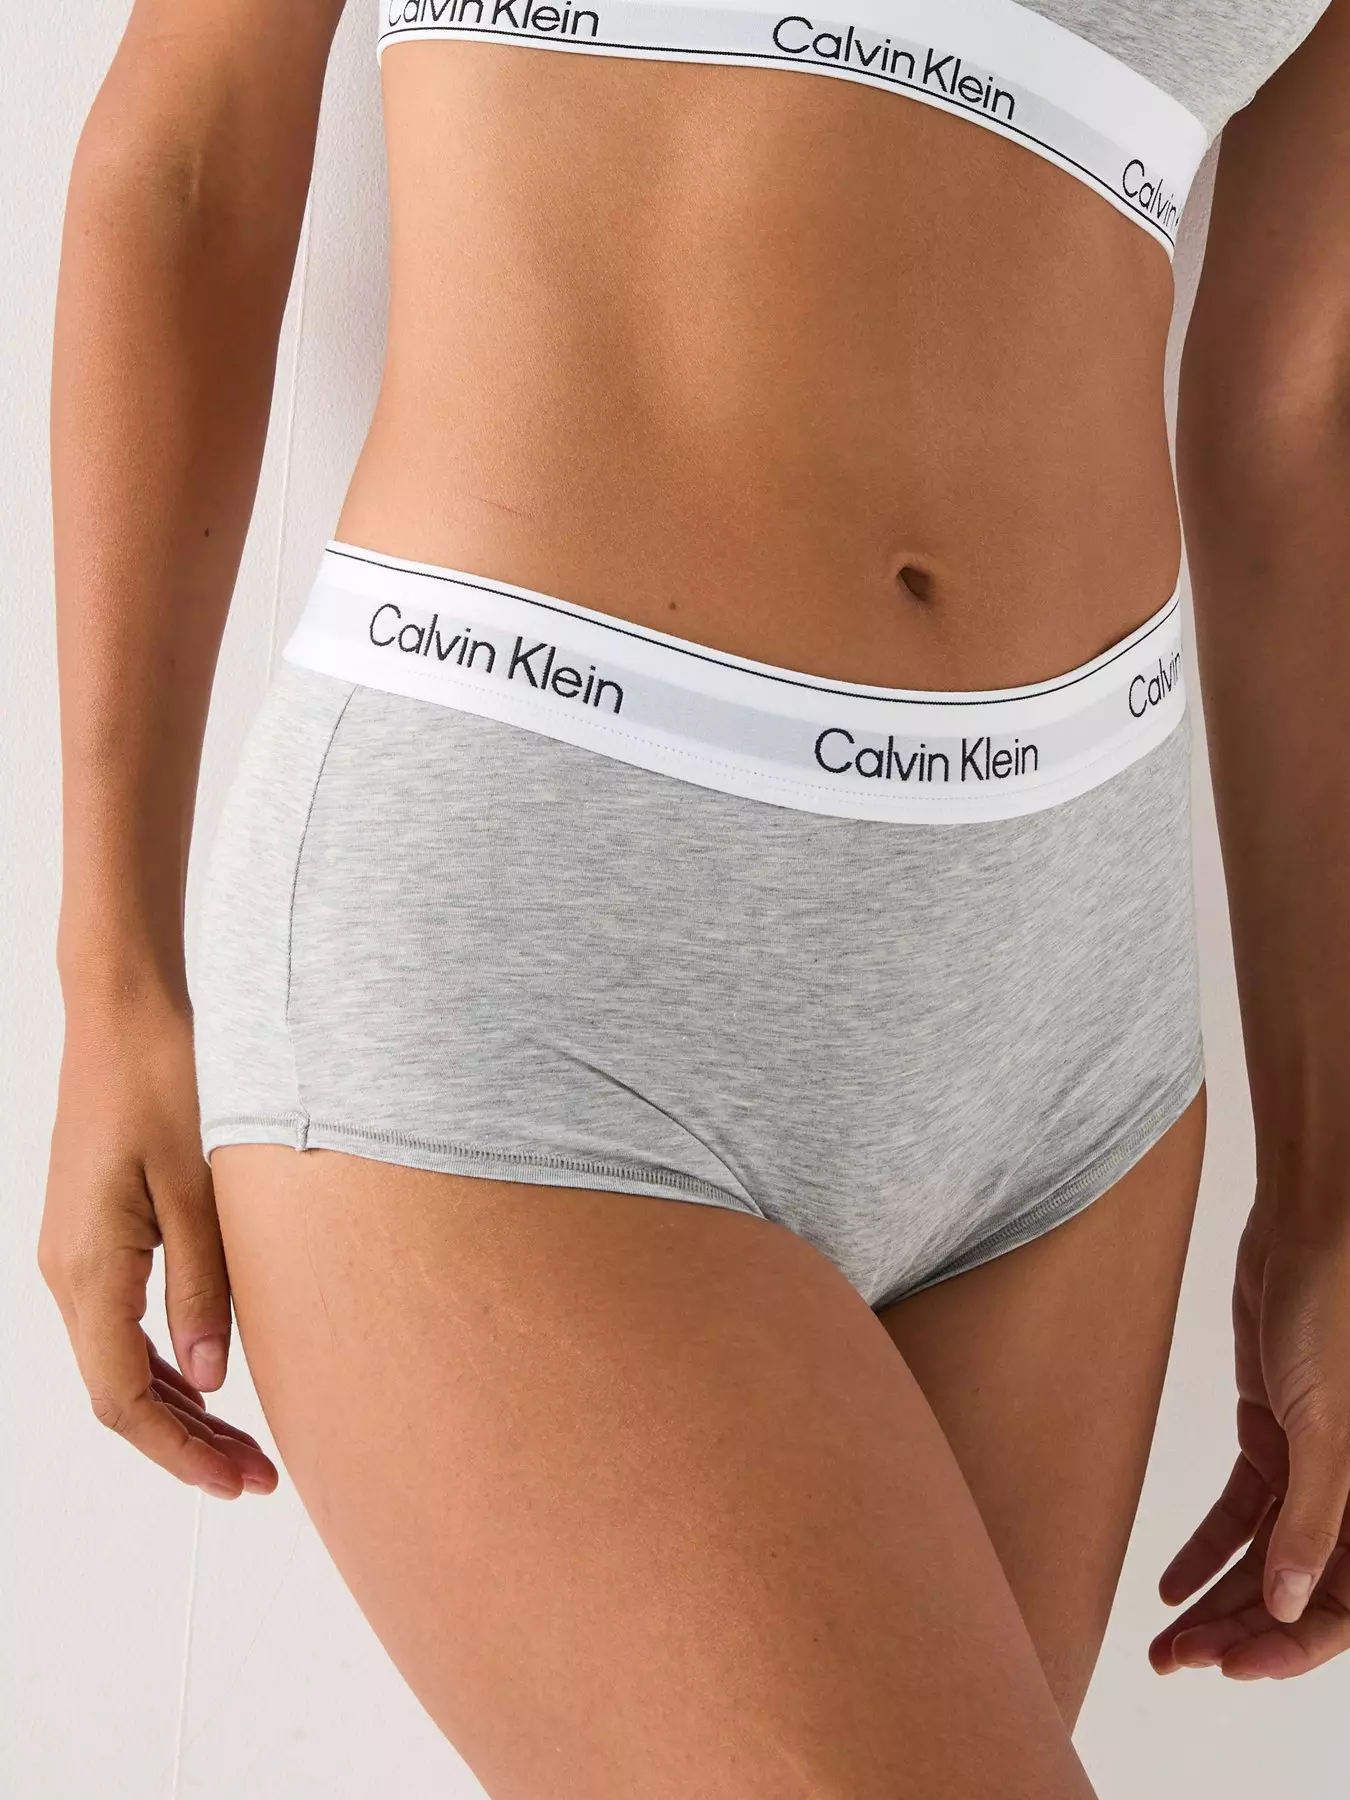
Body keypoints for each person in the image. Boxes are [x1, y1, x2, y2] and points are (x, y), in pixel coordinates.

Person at [38, 0, 1350, 1791]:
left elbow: (1300, 415)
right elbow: (188, 154)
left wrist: (1327, 1182)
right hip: (527, 926)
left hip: (1075, 1038)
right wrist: (110, 966)